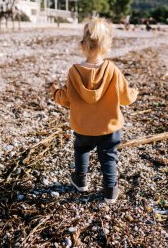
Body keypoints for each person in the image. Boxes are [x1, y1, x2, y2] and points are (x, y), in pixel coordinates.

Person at [49, 18, 138, 203]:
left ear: (83, 45)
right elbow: (126, 98)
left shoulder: (74, 71)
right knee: (108, 156)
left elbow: (66, 99)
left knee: (82, 149)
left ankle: (81, 181)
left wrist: (55, 93)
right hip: (109, 127)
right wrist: (134, 92)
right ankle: (110, 191)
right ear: (107, 45)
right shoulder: (112, 70)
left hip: (83, 126)